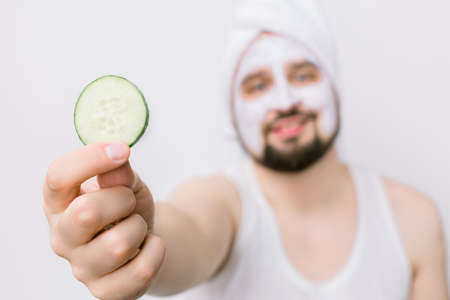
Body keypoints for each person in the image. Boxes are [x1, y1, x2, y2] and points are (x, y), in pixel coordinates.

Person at [42, 0, 448, 299]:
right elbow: (190, 230)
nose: (285, 100)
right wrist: (142, 231)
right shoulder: (225, 203)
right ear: (232, 115)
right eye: (257, 85)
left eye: (303, 74)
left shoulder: (413, 218)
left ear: (335, 88)